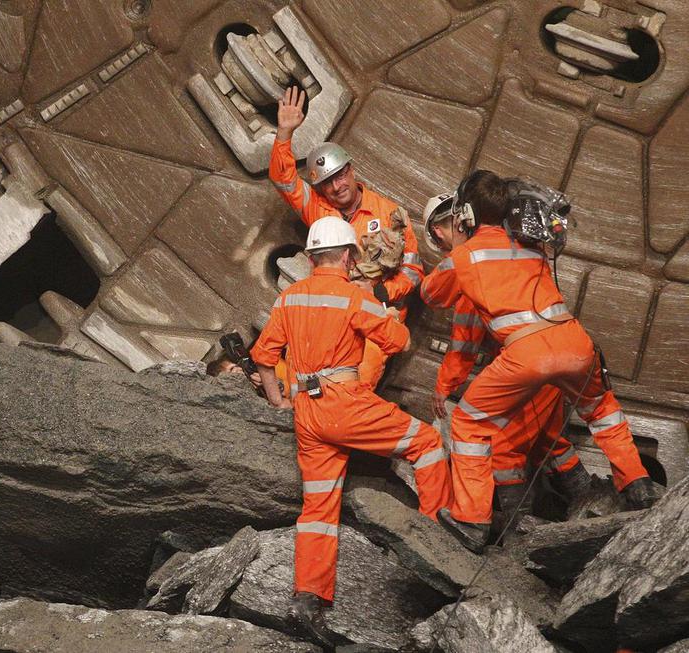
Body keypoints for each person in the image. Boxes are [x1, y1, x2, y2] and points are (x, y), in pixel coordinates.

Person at [419, 171, 658, 553]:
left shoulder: (465, 257)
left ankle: (472, 519)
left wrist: (452, 251)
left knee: (468, 422)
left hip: (529, 354)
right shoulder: (530, 244)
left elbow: (431, 295)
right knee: (603, 412)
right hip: (576, 342)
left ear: (466, 215)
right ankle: (637, 484)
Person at [250, 217, 452, 644]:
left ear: (311, 257)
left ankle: (307, 600)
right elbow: (399, 341)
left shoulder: (289, 297)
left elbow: (264, 356)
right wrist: (384, 307)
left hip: (307, 412)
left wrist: (278, 401)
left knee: (319, 509)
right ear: (347, 256)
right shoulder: (354, 298)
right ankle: (435, 548)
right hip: (345, 404)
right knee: (428, 443)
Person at [422, 194, 591, 525]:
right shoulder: (506, 248)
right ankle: (589, 503)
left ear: (438, 233)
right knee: (549, 443)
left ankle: (515, 528)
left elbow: (464, 345)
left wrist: (444, 386)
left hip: (529, 367)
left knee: (502, 448)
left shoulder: (472, 267)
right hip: (557, 357)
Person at [270, 86, 424, 387]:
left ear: (351, 170)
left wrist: (379, 292)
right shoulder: (317, 208)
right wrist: (284, 132)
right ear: (320, 188)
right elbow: (282, 178)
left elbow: (413, 270)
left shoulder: (390, 214)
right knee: (301, 375)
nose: (337, 186)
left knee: (357, 383)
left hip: (374, 313)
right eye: (327, 182)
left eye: (340, 175)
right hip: (328, 310)